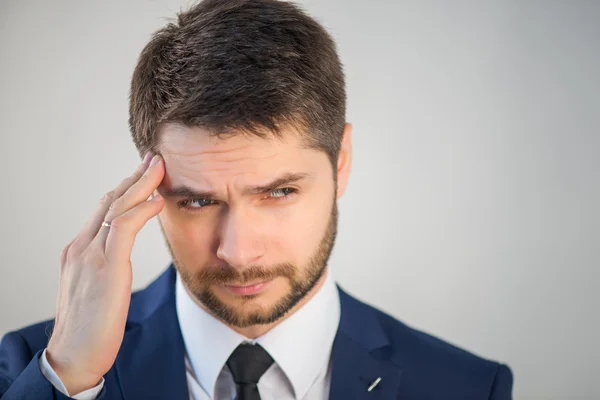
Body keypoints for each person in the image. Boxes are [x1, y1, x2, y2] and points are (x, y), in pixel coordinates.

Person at [0, 0, 514, 399]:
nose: (240, 254)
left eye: (279, 192)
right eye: (197, 202)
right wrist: (67, 378)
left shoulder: (467, 388)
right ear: (146, 187)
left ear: (341, 161)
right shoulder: (40, 368)